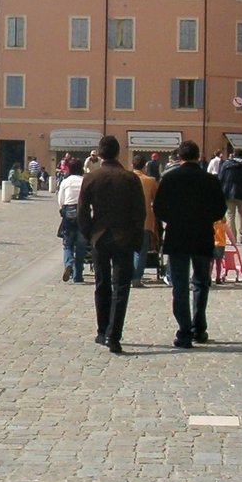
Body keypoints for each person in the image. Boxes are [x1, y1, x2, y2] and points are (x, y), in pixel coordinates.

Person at [152, 139, 228, 348]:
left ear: (179, 156)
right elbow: (220, 209)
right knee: (201, 282)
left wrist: (173, 219)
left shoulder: (170, 178)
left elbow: (158, 208)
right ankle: (199, 328)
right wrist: (205, 218)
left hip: (177, 235)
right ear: (198, 156)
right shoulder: (210, 180)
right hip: (202, 235)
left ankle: (184, 331)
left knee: (180, 284)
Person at [77, 135, 145, 354]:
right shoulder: (129, 178)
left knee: (102, 283)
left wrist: (89, 233)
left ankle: (102, 329)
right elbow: (140, 212)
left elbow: (82, 210)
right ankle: (114, 335)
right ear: (117, 153)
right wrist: (136, 237)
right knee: (121, 286)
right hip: (124, 236)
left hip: (100, 236)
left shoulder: (91, 177)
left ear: (99, 153)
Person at [130, 153, 158, 289]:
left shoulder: (126, 178)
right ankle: (136, 278)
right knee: (140, 251)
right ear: (144, 166)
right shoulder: (150, 180)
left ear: (132, 165)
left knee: (127, 250)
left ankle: (127, 275)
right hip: (145, 220)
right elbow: (156, 200)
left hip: (127, 220)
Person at [56, 158, 87, 283]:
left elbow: (61, 200)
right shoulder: (85, 181)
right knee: (81, 246)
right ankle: (77, 275)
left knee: (68, 243)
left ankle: (69, 263)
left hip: (69, 212)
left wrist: (62, 211)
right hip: (83, 213)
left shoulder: (66, 181)